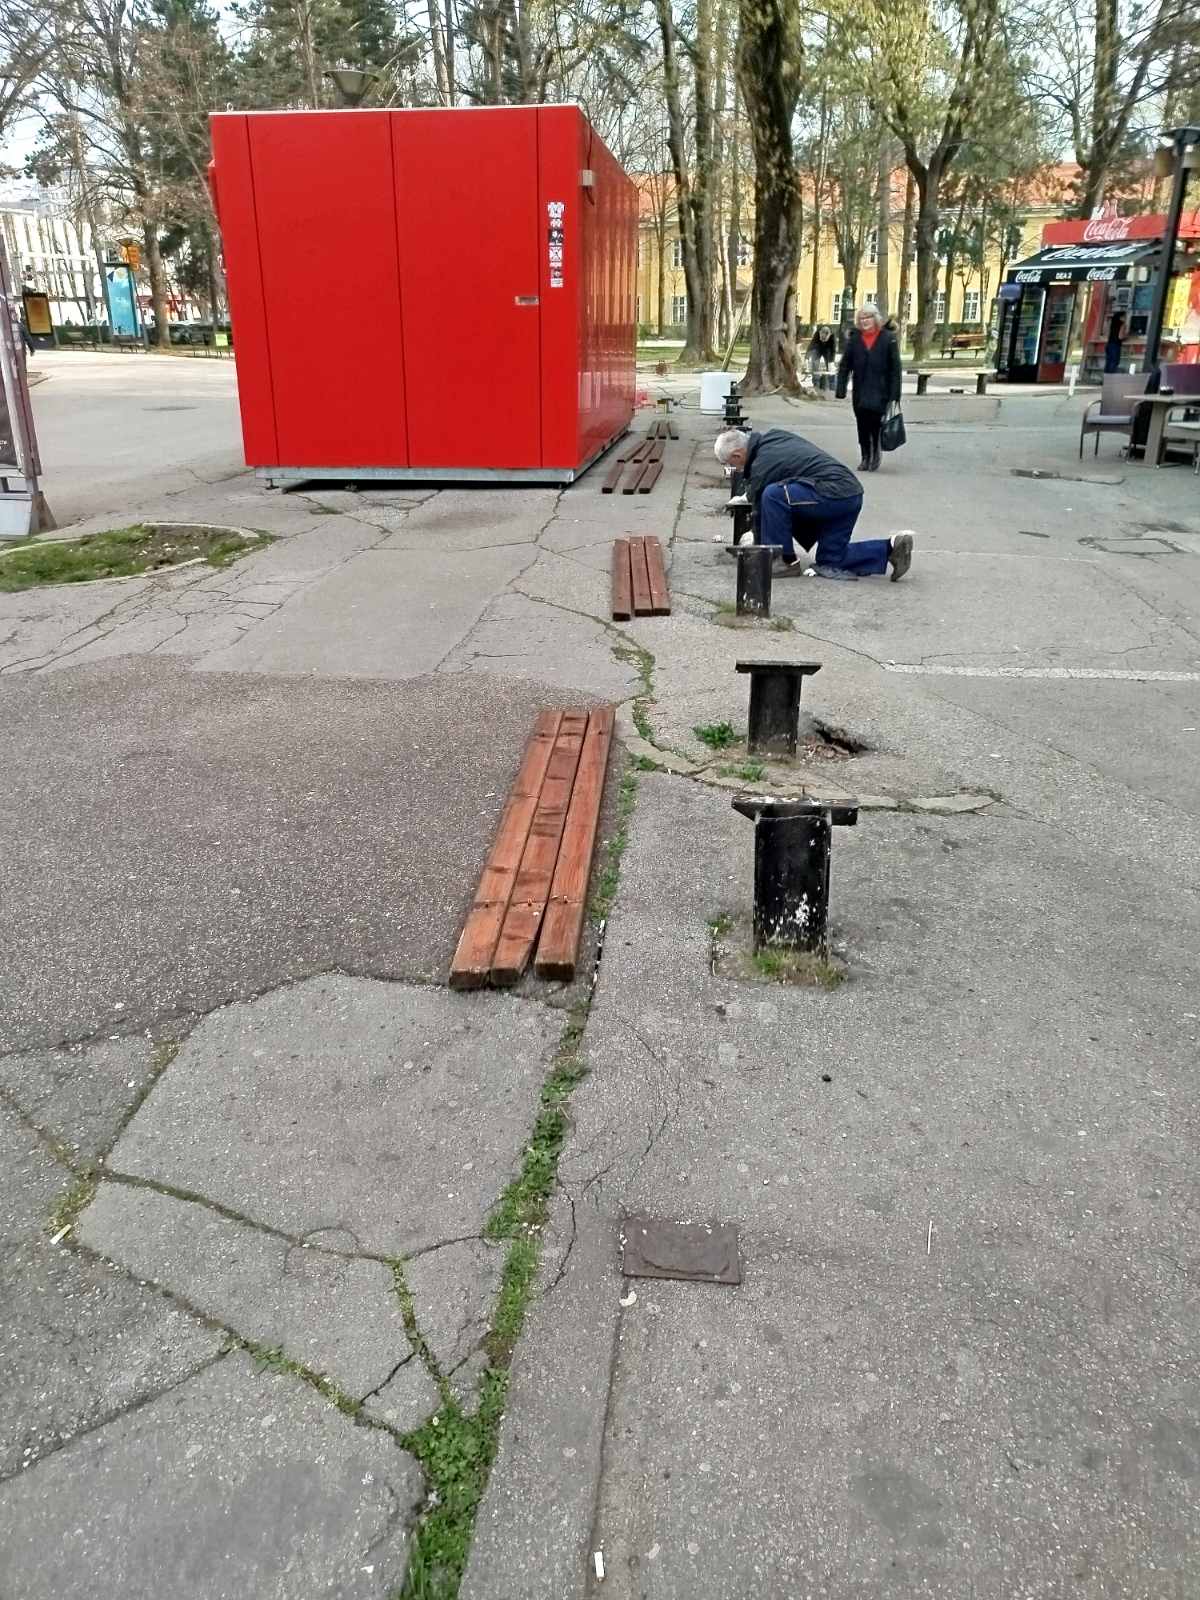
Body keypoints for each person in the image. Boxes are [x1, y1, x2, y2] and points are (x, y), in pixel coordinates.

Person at [714, 426, 913, 583]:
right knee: (831, 559)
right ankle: (891, 548)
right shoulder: (775, 437)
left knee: (773, 496)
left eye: (730, 464)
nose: (733, 469)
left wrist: (758, 548)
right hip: (850, 494)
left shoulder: (761, 465)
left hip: (833, 493)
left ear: (738, 455)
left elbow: (759, 510)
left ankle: (784, 561)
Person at [836, 306, 902, 471]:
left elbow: (895, 368)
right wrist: (841, 388)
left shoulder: (888, 338)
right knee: (862, 424)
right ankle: (865, 456)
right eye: (862, 318)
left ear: (875, 318)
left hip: (881, 390)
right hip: (860, 390)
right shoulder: (855, 339)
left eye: (868, 317)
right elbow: (845, 365)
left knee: (875, 423)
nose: (865, 321)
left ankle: (875, 453)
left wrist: (895, 394)